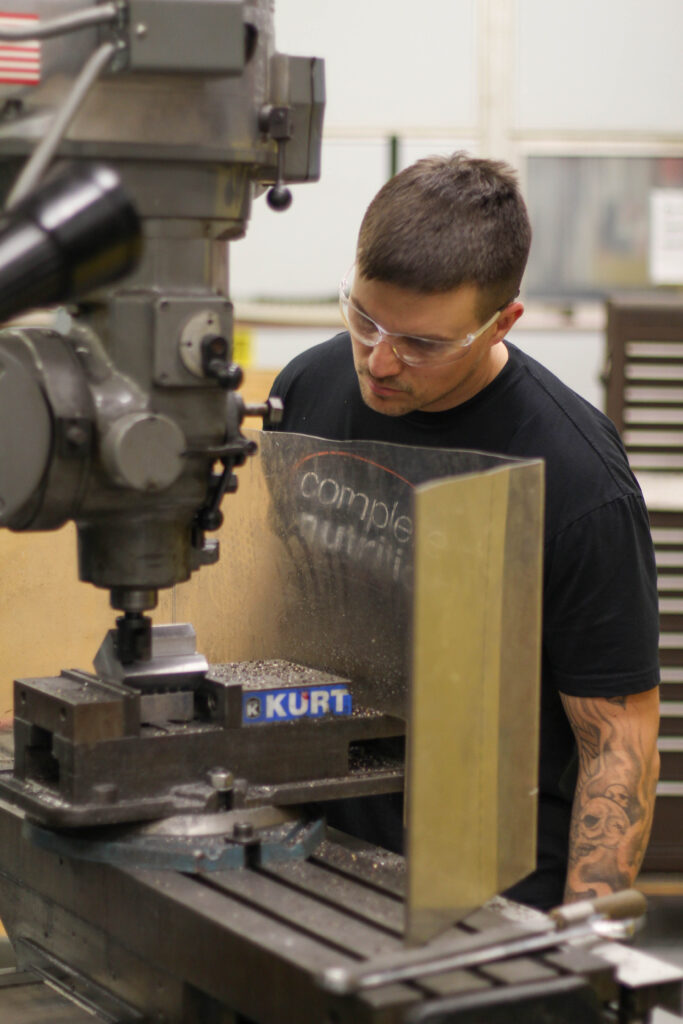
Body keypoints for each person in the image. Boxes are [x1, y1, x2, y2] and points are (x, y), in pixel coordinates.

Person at [267, 152, 660, 910]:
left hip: (493, 880)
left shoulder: (575, 477)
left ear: (500, 322)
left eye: (422, 344)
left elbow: (615, 739)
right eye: (363, 319)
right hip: (316, 843)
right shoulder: (307, 389)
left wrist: (577, 940)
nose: (379, 362)